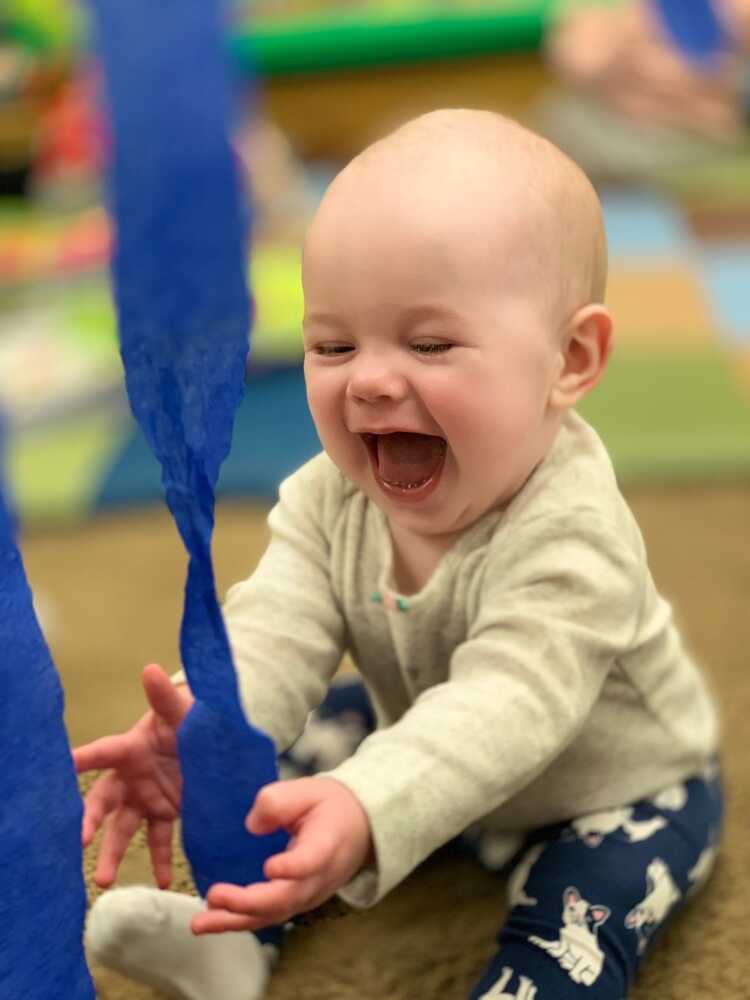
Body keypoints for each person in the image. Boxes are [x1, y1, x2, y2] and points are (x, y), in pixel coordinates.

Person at [75, 109, 722, 1000]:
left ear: (570, 359)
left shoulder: (577, 534)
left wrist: (371, 803)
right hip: (411, 721)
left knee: (589, 911)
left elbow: (509, 703)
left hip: (610, 785)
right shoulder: (328, 497)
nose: (371, 379)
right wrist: (213, 726)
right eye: (333, 345)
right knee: (290, 778)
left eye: (428, 344)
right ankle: (229, 940)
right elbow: (279, 624)